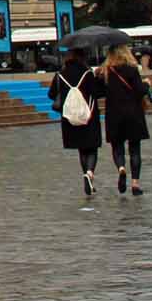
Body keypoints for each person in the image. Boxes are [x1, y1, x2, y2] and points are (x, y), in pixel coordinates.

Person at [47, 49, 107, 197]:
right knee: (92, 147)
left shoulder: (60, 75)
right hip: (89, 115)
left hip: (70, 117)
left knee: (81, 149)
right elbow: (98, 92)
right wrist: (99, 78)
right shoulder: (87, 74)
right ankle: (90, 173)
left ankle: (86, 175)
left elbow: (51, 94)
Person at [99, 44, 151, 197]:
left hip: (114, 114)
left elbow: (100, 91)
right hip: (133, 113)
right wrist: (147, 84)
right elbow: (140, 90)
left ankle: (121, 168)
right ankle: (135, 184)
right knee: (135, 149)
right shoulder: (131, 69)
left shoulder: (106, 72)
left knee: (117, 146)